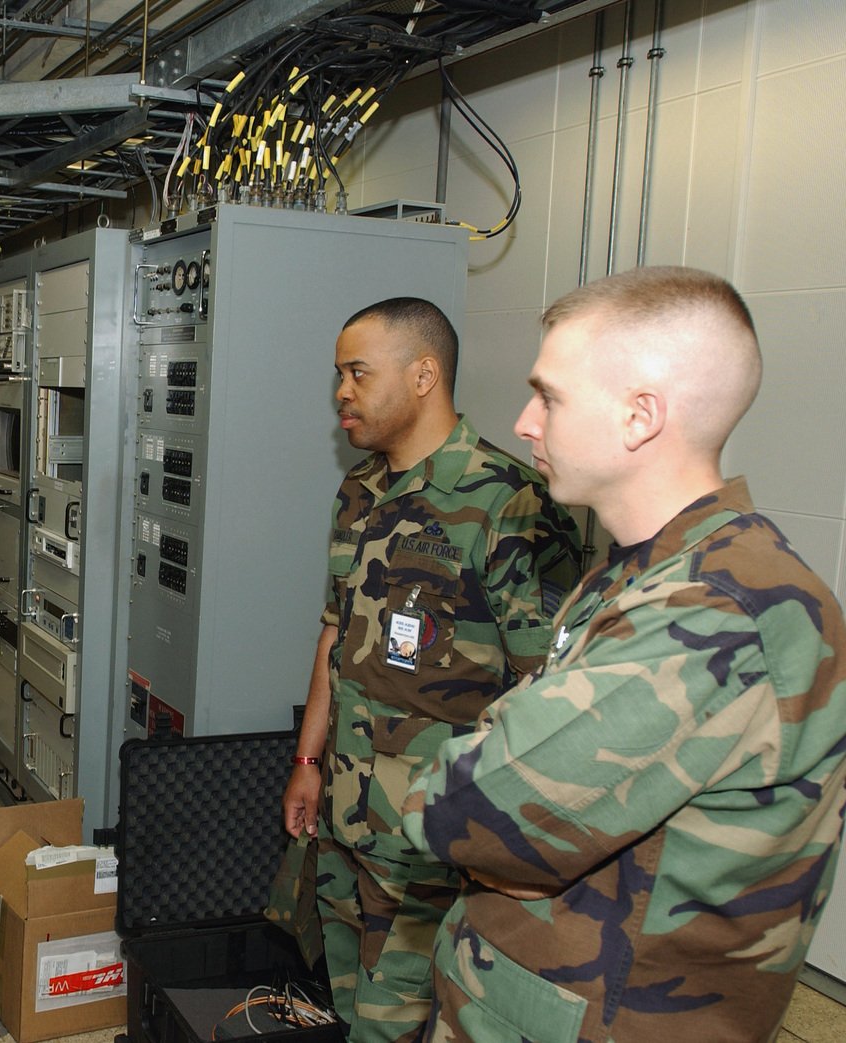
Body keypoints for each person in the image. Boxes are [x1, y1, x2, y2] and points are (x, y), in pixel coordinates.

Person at [400, 267, 846, 1042]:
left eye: (551, 396)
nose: (525, 420)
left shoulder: (718, 608)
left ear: (640, 416)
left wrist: (481, 752)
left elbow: (463, 807)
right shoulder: (643, 571)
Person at [281, 297, 579, 1042]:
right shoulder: (360, 490)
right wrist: (307, 759)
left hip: (431, 840)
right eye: (338, 374)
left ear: (423, 375)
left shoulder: (511, 502)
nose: (341, 392)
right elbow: (332, 631)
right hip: (347, 818)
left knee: (397, 1024)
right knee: (349, 1004)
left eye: (357, 372)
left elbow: (550, 689)